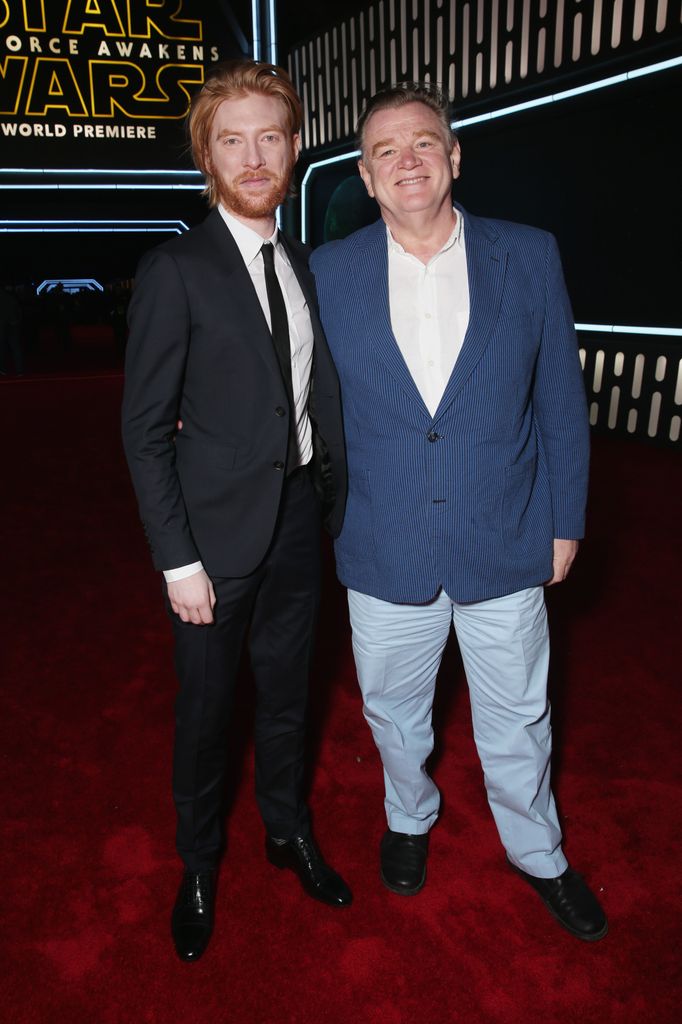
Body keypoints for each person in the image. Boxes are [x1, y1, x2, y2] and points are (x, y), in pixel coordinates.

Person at [310, 84, 607, 942]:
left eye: (424, 143)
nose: (408, 160)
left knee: (518, 712)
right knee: (393, 712)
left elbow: (559, 399)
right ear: (365, 177)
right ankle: (409, 816)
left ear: (455, 156)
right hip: (383, 539)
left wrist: (566, 520)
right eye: (386, 151)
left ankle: (539, 852)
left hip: (506, 532)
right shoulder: (328, 273)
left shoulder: (529, 254)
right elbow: (291, 389)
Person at [122, 59, 351, 964]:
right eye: (232, 140)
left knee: (289, 697)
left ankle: (286, 830)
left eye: (270, 136)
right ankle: (200, 863)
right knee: (208, 710)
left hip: (300, 516)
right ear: (206, 155)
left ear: (294, 147)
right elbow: (143, 430)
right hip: (214, 539)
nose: (253, 157)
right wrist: (177, 560)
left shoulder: (303, 260)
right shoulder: (176, 268)